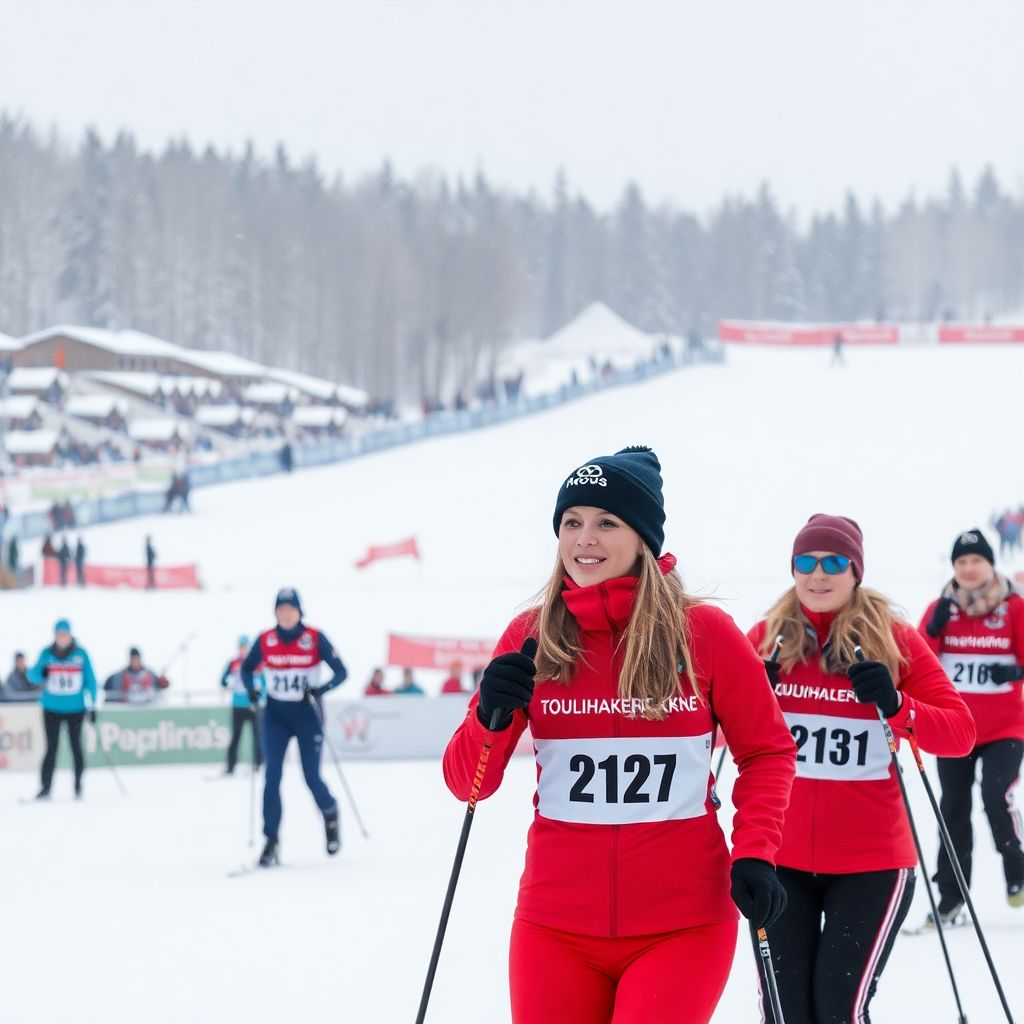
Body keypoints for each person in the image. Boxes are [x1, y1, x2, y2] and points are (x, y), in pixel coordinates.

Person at [443, 447, 796, 1024]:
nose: (585, 538)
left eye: (607, 522)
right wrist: (489, 715)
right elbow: (469, 786)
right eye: (571, 522)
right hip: (555, 926)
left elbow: (767, 751)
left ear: (643, 538)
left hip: (681, 924)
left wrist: (756, 850)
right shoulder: (532, 637)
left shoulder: (703, 634)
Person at [748, 514, 975, 1023]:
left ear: (856, 571)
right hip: (779, 859)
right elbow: (708, 732)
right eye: (805, 562)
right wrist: (746, 700)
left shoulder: (892, 641)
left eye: (833, 562)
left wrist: (899, 706)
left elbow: (960, 735)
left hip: (870, 865)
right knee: (785, 1013)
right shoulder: (766, 640)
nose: (818, 574)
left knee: (838, 1011)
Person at [919, 528, 1024, 922]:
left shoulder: (1014, 607)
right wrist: (933, 630)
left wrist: (1016, 669)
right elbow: (912, 662)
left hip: (1004, 729)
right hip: (953, 727)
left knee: (996, 797)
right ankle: (951, 897)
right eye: (961, 562)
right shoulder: (940, 609)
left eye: (976, 561)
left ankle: (1016, 865)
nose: (968, 568)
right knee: (953, 809)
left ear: (990, 564)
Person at [242, 588, 348, 867]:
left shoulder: (313, 637)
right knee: (272, 776)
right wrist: (252, 690)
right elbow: (246, 667)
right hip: (275, 715)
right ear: (275, 612)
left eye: (291, 609)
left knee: (311, 777)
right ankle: (271, 840)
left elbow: (342, 671)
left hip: (307, 715)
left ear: (300, 612)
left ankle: (330, 813)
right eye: (281, 609)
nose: (286, 614)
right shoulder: (266, 639)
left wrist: (320, 688)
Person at [27, 619, 99, 799]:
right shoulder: (47, 653)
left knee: (76, 747)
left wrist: (93, 704)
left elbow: (90, 680)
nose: (62, 637)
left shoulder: (80, 654)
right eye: (59, 634)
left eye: (64, 634)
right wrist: (41, 672)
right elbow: (32, 675)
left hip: (75, 709)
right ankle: (45, 788)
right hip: (51, 708)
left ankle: (77, 785)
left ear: (70, 635)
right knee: (51, 748)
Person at [220, 635, 264, 774]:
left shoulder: (257, 663)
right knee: (235, 736)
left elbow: (264, 683)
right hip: (237, 705)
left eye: (246, 647)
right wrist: (228, 683)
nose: (243, 649)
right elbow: (223, 680)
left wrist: (259, 697)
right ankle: (230, 766)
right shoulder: (233, 663)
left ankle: (258, 765)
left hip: (253, 706)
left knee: (257, 736)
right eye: (241, 647)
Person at [103, 647, 168, 704]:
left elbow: (161, 686)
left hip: (146, 708)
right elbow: (107, 688)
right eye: (133, 659)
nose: (135, 661)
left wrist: (162, 683)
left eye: (137, 658)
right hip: (127, 709)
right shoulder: (118, 677)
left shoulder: (150, 675)